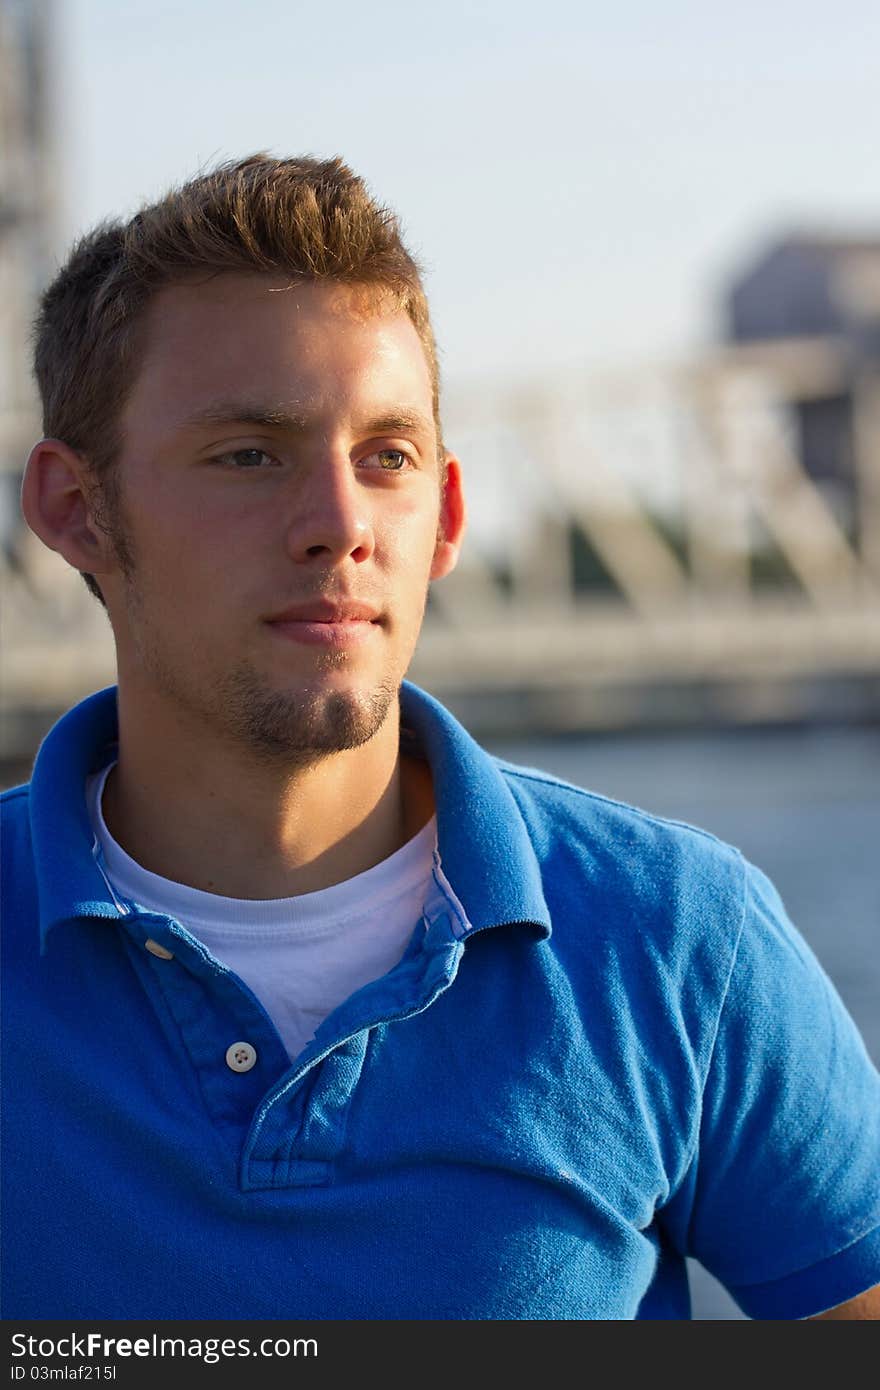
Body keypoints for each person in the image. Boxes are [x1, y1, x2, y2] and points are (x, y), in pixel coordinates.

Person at [2, 154, 878, 1323]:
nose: (338, 526)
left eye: (387, 457)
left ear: (449, 515)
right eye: (248, 453)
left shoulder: (681, 939)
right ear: (74, 510)